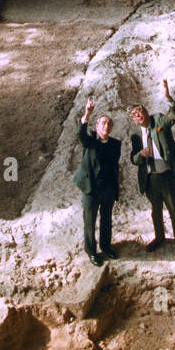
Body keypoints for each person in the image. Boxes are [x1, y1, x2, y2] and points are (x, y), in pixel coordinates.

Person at [130, 79, 175, 262]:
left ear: (146, 111)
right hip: (150, 179)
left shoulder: (159, 120)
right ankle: (160, 237)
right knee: (156, 210)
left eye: (139, 112)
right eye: (134, 115)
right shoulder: (136, 136)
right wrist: (141, 154)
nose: (137, 116)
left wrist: (167, 97)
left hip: (167, 175)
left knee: (174, 210)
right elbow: (133, 159)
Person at [73, 97, 121, 266]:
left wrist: (115, 189)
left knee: (107, 219)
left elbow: (114, 166)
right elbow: (80, 132)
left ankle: (106, 247)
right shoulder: (90, 141)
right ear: (97, 127)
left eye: (108, 124)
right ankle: (91, 251)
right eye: (102, 123)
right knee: (90, 221)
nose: (106, 126)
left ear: (111, 128)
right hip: (90, 189)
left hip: (107, 188)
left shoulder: (116, 144)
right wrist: (87, 112)